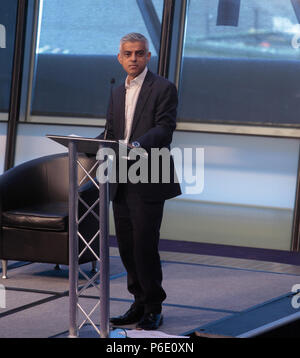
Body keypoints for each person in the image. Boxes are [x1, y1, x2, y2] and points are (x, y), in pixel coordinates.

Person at [97, 32, 181, 330]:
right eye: (128, 54)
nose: (134, 58)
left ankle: (154, 306)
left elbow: (164, 129)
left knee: (145, 244)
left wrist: (134, 146)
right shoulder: (117, 92)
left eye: (139, 53)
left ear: (148, 57)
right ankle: (138, 302)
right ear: (119, 58)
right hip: (120, 175)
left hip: (149, 173)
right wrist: (82, 146)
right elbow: (109, 130)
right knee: (127, 245)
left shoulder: (163, 88)